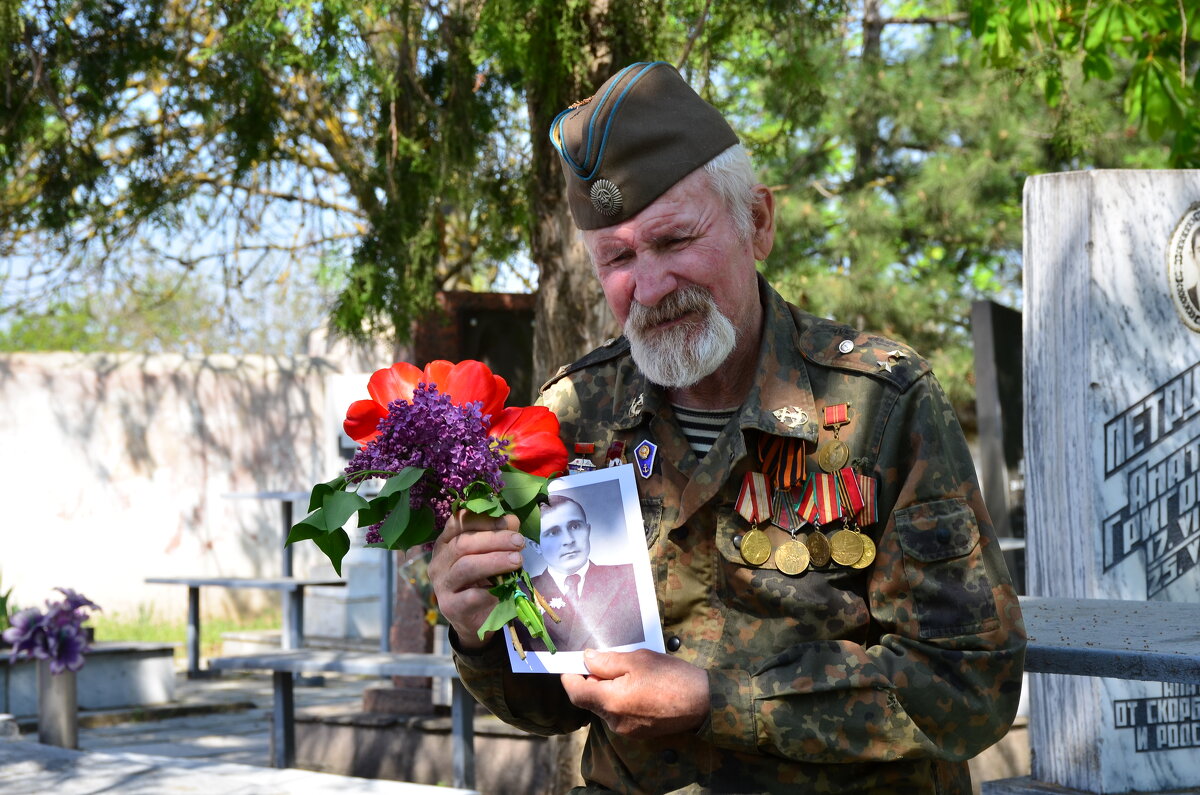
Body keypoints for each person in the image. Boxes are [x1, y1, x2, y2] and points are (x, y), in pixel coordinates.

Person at [429, 61, 1025, 793]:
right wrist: (477, 631)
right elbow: (551, 700)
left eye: (675, 240)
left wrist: (717, 699)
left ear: (759, 222)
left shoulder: (880, 403)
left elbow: (968, 683)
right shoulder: (574, 418)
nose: (648, 287)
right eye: (617, 258)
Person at [525, 494, 644, 652]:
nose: (568, 540)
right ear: (536, 546)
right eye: (553, 532)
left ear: (587, 531)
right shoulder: (522, 592)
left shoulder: (631, 577)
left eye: (574, 526)